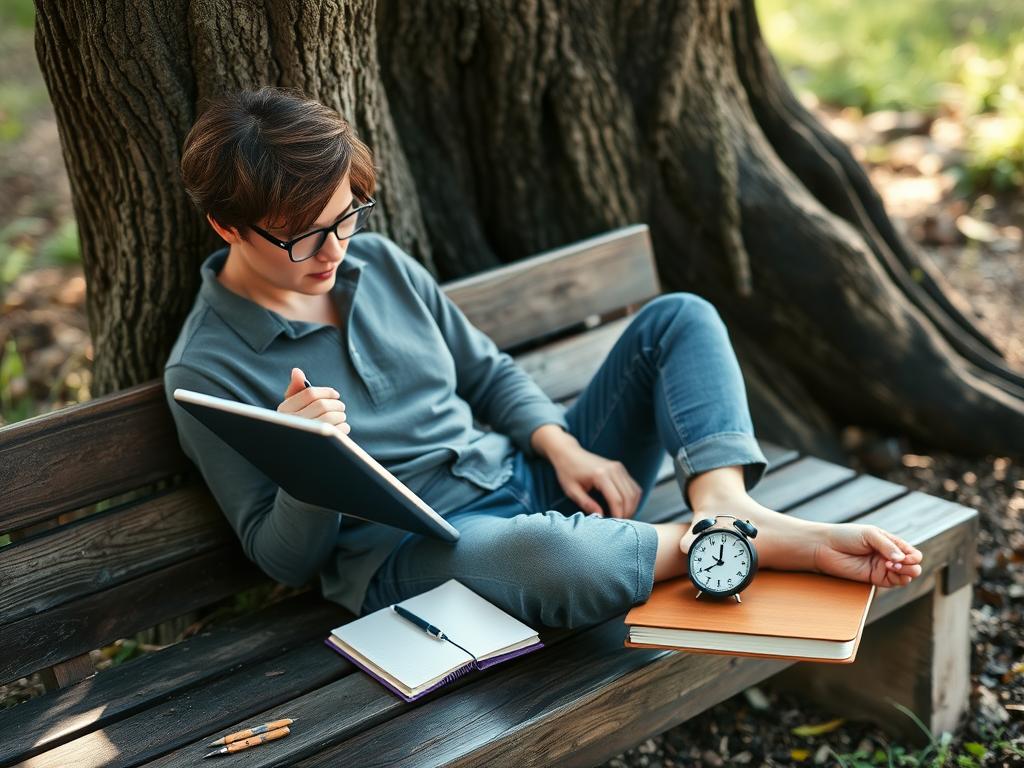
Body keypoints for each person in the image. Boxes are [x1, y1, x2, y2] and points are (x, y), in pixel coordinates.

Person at [164, 85, 923, 630]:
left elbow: (487, 372)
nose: (334, 250)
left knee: (679, 319)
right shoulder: (206, 369)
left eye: (345, 219)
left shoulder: (381, 264)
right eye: (304, 237)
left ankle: (728, 509)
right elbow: (282, 560)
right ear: (227, 227)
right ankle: (733, 545)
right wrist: (310, 462)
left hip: (524, 480)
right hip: (424, 552)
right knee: (553, 559)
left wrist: (561, 446)